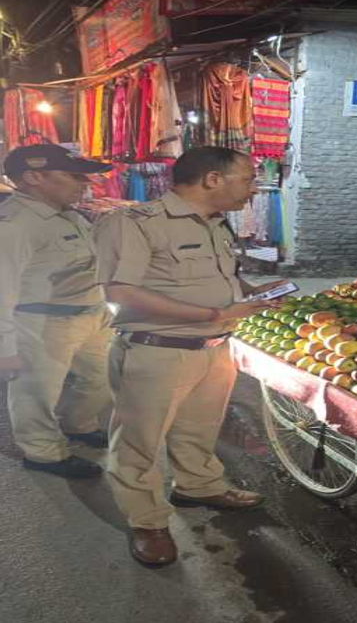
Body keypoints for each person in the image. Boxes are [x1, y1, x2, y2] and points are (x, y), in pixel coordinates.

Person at [93, 146, 284, 568]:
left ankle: (199, 485)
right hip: (156, 351)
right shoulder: (134, 223)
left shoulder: (217, 225)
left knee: (199, 430)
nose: (253, 189)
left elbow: (222, 279)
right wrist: (215, 312)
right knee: (138, 444)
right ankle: (147, 521)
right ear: (212, 179)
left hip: (214, 349)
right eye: (248, 178)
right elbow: (120, 293)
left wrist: (252, 295)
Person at [0, 144, 114, 479]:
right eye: (73, 175)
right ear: (34, 177)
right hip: (43, 321)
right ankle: (43, 453)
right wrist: (5, 350)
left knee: (102, 377)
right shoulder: (14, 226)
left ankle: (78, 425)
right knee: (36, 392)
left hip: (92, 313)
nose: (85, 183)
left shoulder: (70, 215)